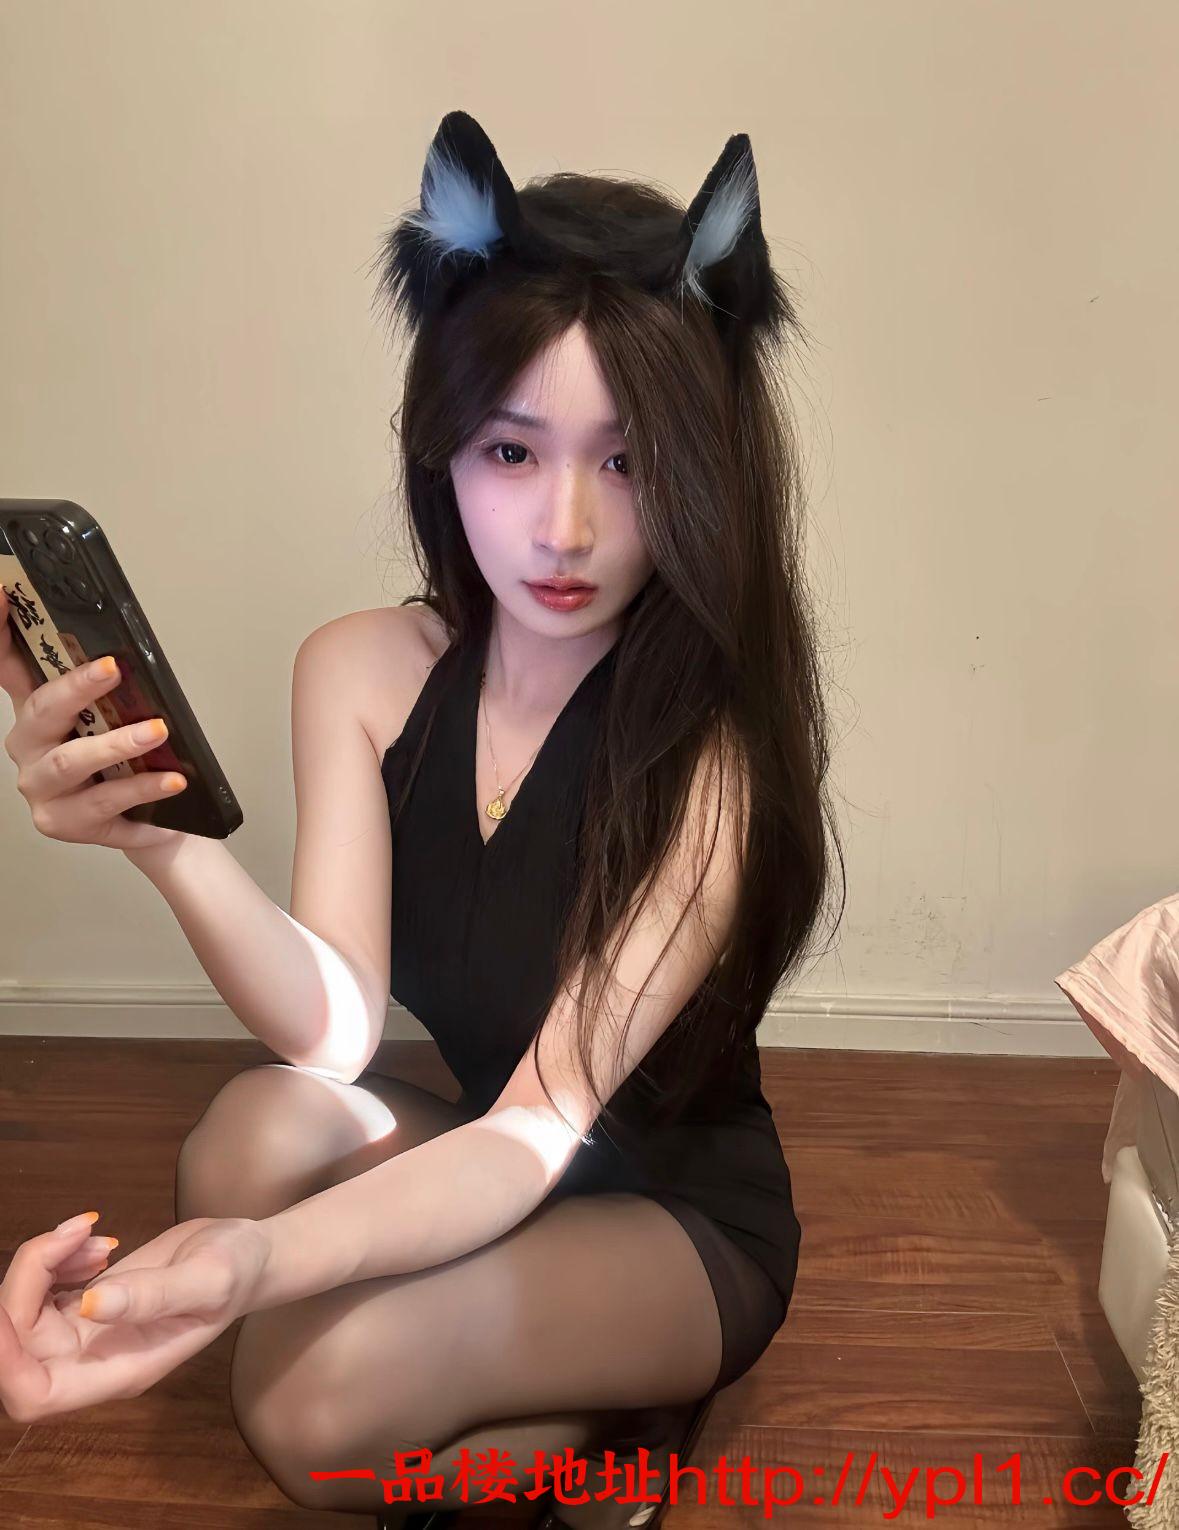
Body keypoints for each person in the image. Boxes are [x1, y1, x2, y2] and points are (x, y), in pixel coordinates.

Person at [0, 111, 843, 1525]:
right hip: (487, 1147)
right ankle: (510, 1353)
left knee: (308, 1405)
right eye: (512, 451)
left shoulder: (715, 761)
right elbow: (334, 1028)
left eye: (629, 461)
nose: (566, 528)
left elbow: (540, 1126)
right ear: (443, 446)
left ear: (704, 473)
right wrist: (164, 843)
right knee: (244, 1142)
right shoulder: (359, 669)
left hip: (669, 1215)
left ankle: (632, 1405)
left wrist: (260, 1269)